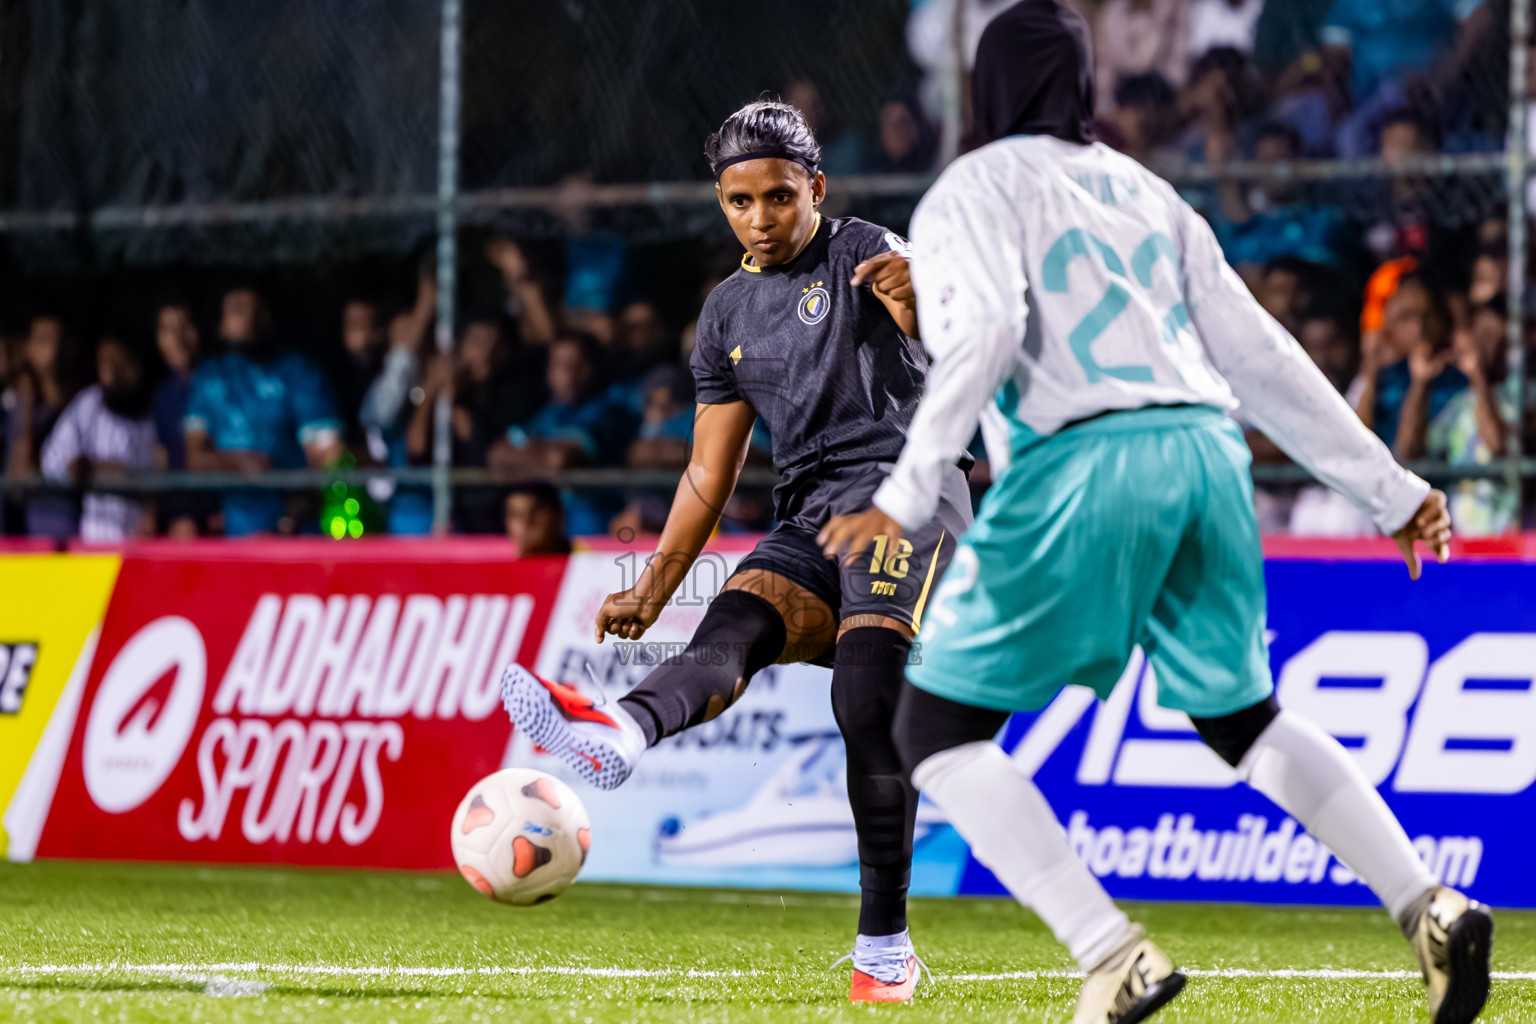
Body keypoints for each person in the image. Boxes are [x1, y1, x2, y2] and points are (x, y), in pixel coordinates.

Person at [816, 5, 1488, 1023]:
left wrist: (903, 494)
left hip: (1082, 461)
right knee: (1241, 717)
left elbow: (990, 329)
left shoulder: (972, 186)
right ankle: (1427, 903)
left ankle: (1111, 951)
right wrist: (1391, 490)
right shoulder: (1148, 191)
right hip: (1209, 456)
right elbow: (1259, 355)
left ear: (987, 87)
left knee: (936, 729)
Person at [499, 99, 973, 1003]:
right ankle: (622, 729)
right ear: (721, 203)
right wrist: (652, 584)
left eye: (779, 197)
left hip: (907, 491)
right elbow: (708, 476)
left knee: (863, 692)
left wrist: (917, 310)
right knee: (732, 628)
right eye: (739, 201)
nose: (760, 216)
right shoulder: (724, 315)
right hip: (810, 511)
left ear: (816, 188)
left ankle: (885, 949)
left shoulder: (874, 248)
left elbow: (960, 354)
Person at [185, 286, 343, 536]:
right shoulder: (209, 376)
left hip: (294, 530)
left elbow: (328, 455)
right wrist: (239, 464)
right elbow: (195, 459)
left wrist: (302, 503)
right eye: (237, 309)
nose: (250, 318)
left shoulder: (298, 370)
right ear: (220, 322)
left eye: (257, 309)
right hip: (231, 535)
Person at [40, 337, 158, 542]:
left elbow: (158, 474)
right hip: (97, 536)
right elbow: (51, 461)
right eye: (105, 361)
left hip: (141, 538)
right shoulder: (90, 403)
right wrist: (88, 467)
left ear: (135, 364)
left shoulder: (151, 409)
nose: (111, 370)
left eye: (118, 360)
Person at [5, 314, 77, 538]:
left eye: (58, 340)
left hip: (72, 526)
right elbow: (19, 474)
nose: (53, 349)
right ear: (28, 348)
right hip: (28, 529)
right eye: (43, 340)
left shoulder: (80, 403)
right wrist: (25, 398)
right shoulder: (17, 404)